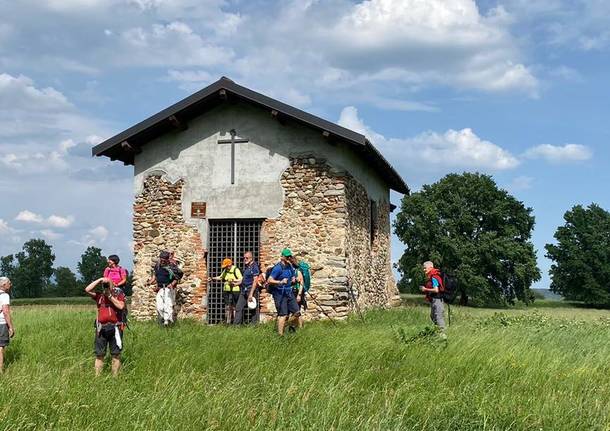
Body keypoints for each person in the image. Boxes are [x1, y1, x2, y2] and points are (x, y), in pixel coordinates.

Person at [85, 277, 126, 377]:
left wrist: (110, 296)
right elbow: (87, 290)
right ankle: (97, 377)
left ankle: (115, 377)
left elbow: (121, 306)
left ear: (113, 285)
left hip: (116, 328)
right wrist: (100, 280)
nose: (106, 286)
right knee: (99, 355)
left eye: (108, 284)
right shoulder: (99, 296)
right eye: (105, 285)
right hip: (101, 328)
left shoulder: (118, 295)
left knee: (116, 354)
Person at [268, 248, 300, 336]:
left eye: (289, 256)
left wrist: (294, 279)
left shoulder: (289, 266)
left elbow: (293, 276)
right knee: (283, 314)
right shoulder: (277, 268)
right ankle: (280, 335)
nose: (288, 258)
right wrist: (280, 282)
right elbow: (269, 280)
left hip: (289, 292)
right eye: (287, 257)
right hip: (279, 294)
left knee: (297, 313)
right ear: (282, 257)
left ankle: (286, 325)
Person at [150, 250, 183, 326]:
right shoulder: (157, 265)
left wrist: (172, 284)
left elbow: (177, 277)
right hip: (160, 288)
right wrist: (150, 282)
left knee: (168, 305)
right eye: (161, 259)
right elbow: (155, 275)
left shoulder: (172, 267)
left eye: (163, 260)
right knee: (159, 306)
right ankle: (165, 319)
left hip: (169, 289)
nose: (162, 261)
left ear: (167, 259)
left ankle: (166, 322)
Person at [210, 258, 242, 324]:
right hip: (226, 290)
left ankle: (235, 322)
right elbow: (221, 277)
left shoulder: (236, 270)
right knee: (227, 306)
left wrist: (233, 280)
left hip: (235, 290)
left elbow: (241, 279)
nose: (226, 268)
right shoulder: (225, 270)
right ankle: (228, 322)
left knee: (234, 306)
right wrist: (213, 278)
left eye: (226, 266)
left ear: (230, 265)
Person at [234, 251, 260, 325]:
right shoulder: (246, 267)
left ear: (251, 258)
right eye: (244, 258)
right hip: (244, 290)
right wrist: (236, 284)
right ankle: (236, 326)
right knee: (238, 307)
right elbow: (244, 280)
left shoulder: (254, 267)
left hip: (250, 290)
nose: (245, 259)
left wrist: (251, 294)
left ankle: (254, 326)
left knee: (252, 308)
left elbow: (255, 281)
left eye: (247, 258)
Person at [419, 261, 446, 332]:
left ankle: (442, 335)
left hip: (438, 300)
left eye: (425, 268)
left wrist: (425, 289)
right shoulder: (431, 276)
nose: (424, 270)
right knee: (433, 316)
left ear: (431, 267)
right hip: (434, 300)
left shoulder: (434, 276)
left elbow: (436, 290)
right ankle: (437, 331)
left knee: (438, 317)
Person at [0, 277, 15, 374]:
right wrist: (11, 327)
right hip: (1, 324)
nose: (11, 284)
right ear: (4, 285)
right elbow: (5, 312)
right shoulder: (4, 295)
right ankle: (0, 370)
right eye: (9, 283)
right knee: (0, 347)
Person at [288, 255, 306, 329]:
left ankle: (300, 327)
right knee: (293, 311)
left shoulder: (297, 271)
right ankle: (293, 326)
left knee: (297, 311)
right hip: (290, 292)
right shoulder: (289, 271)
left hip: (296, 292)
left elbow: (302, 283)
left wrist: (299, 295)